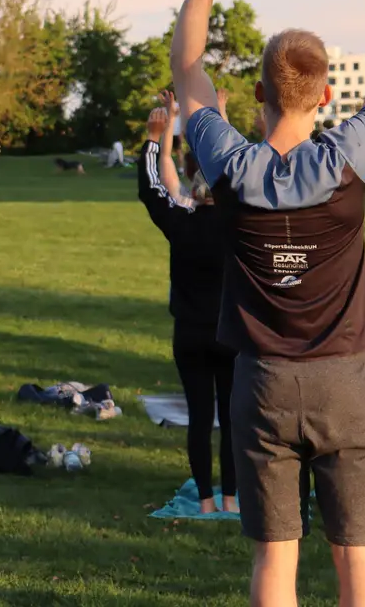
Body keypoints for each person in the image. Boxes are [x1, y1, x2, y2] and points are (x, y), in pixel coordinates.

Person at [173, 0, 365, 607]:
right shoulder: (347, 162)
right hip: (347, 384)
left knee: (274, 566)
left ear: (256, 93)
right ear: (327, 94)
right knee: (360, 571)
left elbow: (187, 68)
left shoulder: (228, 164)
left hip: (264, 387)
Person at [140, 92, 236, 516]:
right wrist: (223, 118)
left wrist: (155, 137)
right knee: (232, 420)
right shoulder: (241, 227)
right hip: (231, 333)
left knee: (200, 419)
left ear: (193, 194)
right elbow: (241, 166)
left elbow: (152, 187)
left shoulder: (181, 223)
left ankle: (205, 501)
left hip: (190, 334)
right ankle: (233, 497)